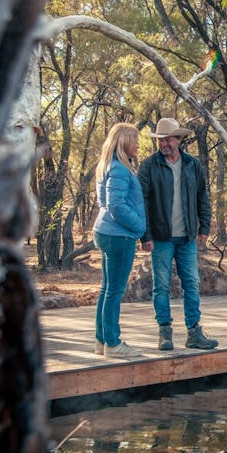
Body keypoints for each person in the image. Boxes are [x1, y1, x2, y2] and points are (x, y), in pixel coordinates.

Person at [138, 117, 219, 351]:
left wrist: (204, 227)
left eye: (168, 140)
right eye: (160, 140)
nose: (164, 144)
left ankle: (194, 333)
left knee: (192, 284)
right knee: (161, 285)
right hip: (161, 237)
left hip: (186, 237)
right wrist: (146, 235)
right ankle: (165, 332)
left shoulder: (192, 165)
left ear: (178, 140)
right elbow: (142, 201)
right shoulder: (149, 166)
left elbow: (203, 197)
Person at [93, 122, 147, 358]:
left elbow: (103, 202)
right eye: (134, 140)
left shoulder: (109, 166)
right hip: (118, 236)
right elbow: (115, 205)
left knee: (107, 289)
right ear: (124, 142)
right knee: (114, 291)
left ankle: (102, 340)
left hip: (107, 232)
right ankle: (113, 344)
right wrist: (139, 226)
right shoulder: (119, 169)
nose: (137, 145)